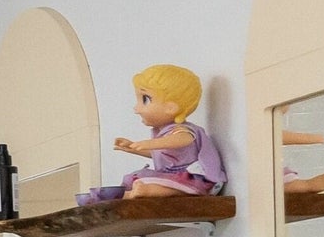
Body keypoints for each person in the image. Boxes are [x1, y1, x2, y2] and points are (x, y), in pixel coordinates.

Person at [87, 64, 227, 201]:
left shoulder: (182, 129)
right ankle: (129, 193)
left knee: (154, 183)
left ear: (171, 107)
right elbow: (160, 153)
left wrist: (150, 144)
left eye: (145, 100)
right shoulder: (162, 132)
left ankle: (146, 191)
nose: (137, 109)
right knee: (134, 177)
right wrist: (131, 148)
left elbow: (183, 140)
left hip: (192, 178)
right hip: (170, 175)